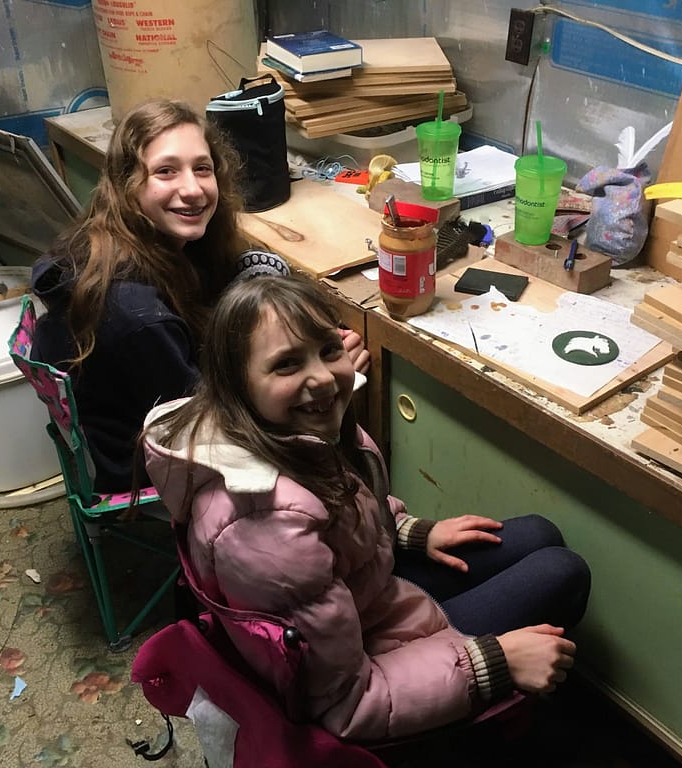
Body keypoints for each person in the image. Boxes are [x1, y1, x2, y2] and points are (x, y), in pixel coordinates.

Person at [141, 274, 590, 741]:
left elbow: (351, 509)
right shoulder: (264, 523)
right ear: (238, 386)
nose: (321, 377)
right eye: (286, 364)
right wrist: (493, 662)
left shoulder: (294, 432)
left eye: (327, 351)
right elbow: (346, 707)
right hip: (364, 677)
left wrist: (409, 530)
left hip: (360, 598)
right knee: (563, 572)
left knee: (539, 534)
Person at [29, 98, 368, 492]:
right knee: (323, 398)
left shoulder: (121, 242)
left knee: (261, 272)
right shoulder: (137, 318)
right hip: (150, 466)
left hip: (136, 422)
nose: (192, 190)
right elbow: (213, 427)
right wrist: (324, 373)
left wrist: (302, 350)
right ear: (126, 184)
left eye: (202, 169)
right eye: (166, 171)